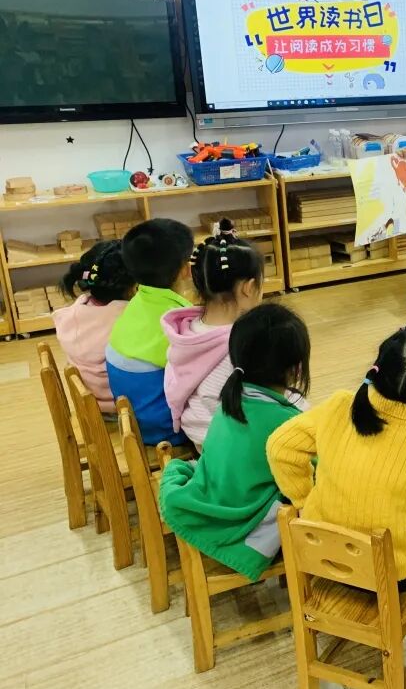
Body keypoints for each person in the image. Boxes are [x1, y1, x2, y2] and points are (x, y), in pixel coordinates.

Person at [267, 323, 406, 626]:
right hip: (393, 573)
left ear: (377, 369)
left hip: (319, 555)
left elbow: (280, 447)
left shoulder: (341, 404)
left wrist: (304, 500)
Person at [159, 304, 310, 581]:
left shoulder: (231, 397)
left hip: (211, 504)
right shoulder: (287, 422)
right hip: (240, 529)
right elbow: (313, 475)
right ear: (296, 367)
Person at [163, 220, 264, 450]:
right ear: (248, 288)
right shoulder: (242, 343)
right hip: (232, 449)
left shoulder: (186, 330)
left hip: (199, 440)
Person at [106, 219, 195, 445]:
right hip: (166, 432)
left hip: (133, 423)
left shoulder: (134, 304)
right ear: (186, 270)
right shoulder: (179, 318)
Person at [53, 241, 136, 414]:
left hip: (90, 407)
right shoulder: (127, 319)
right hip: (123, 410)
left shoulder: (71, 313)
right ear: (133, 286)